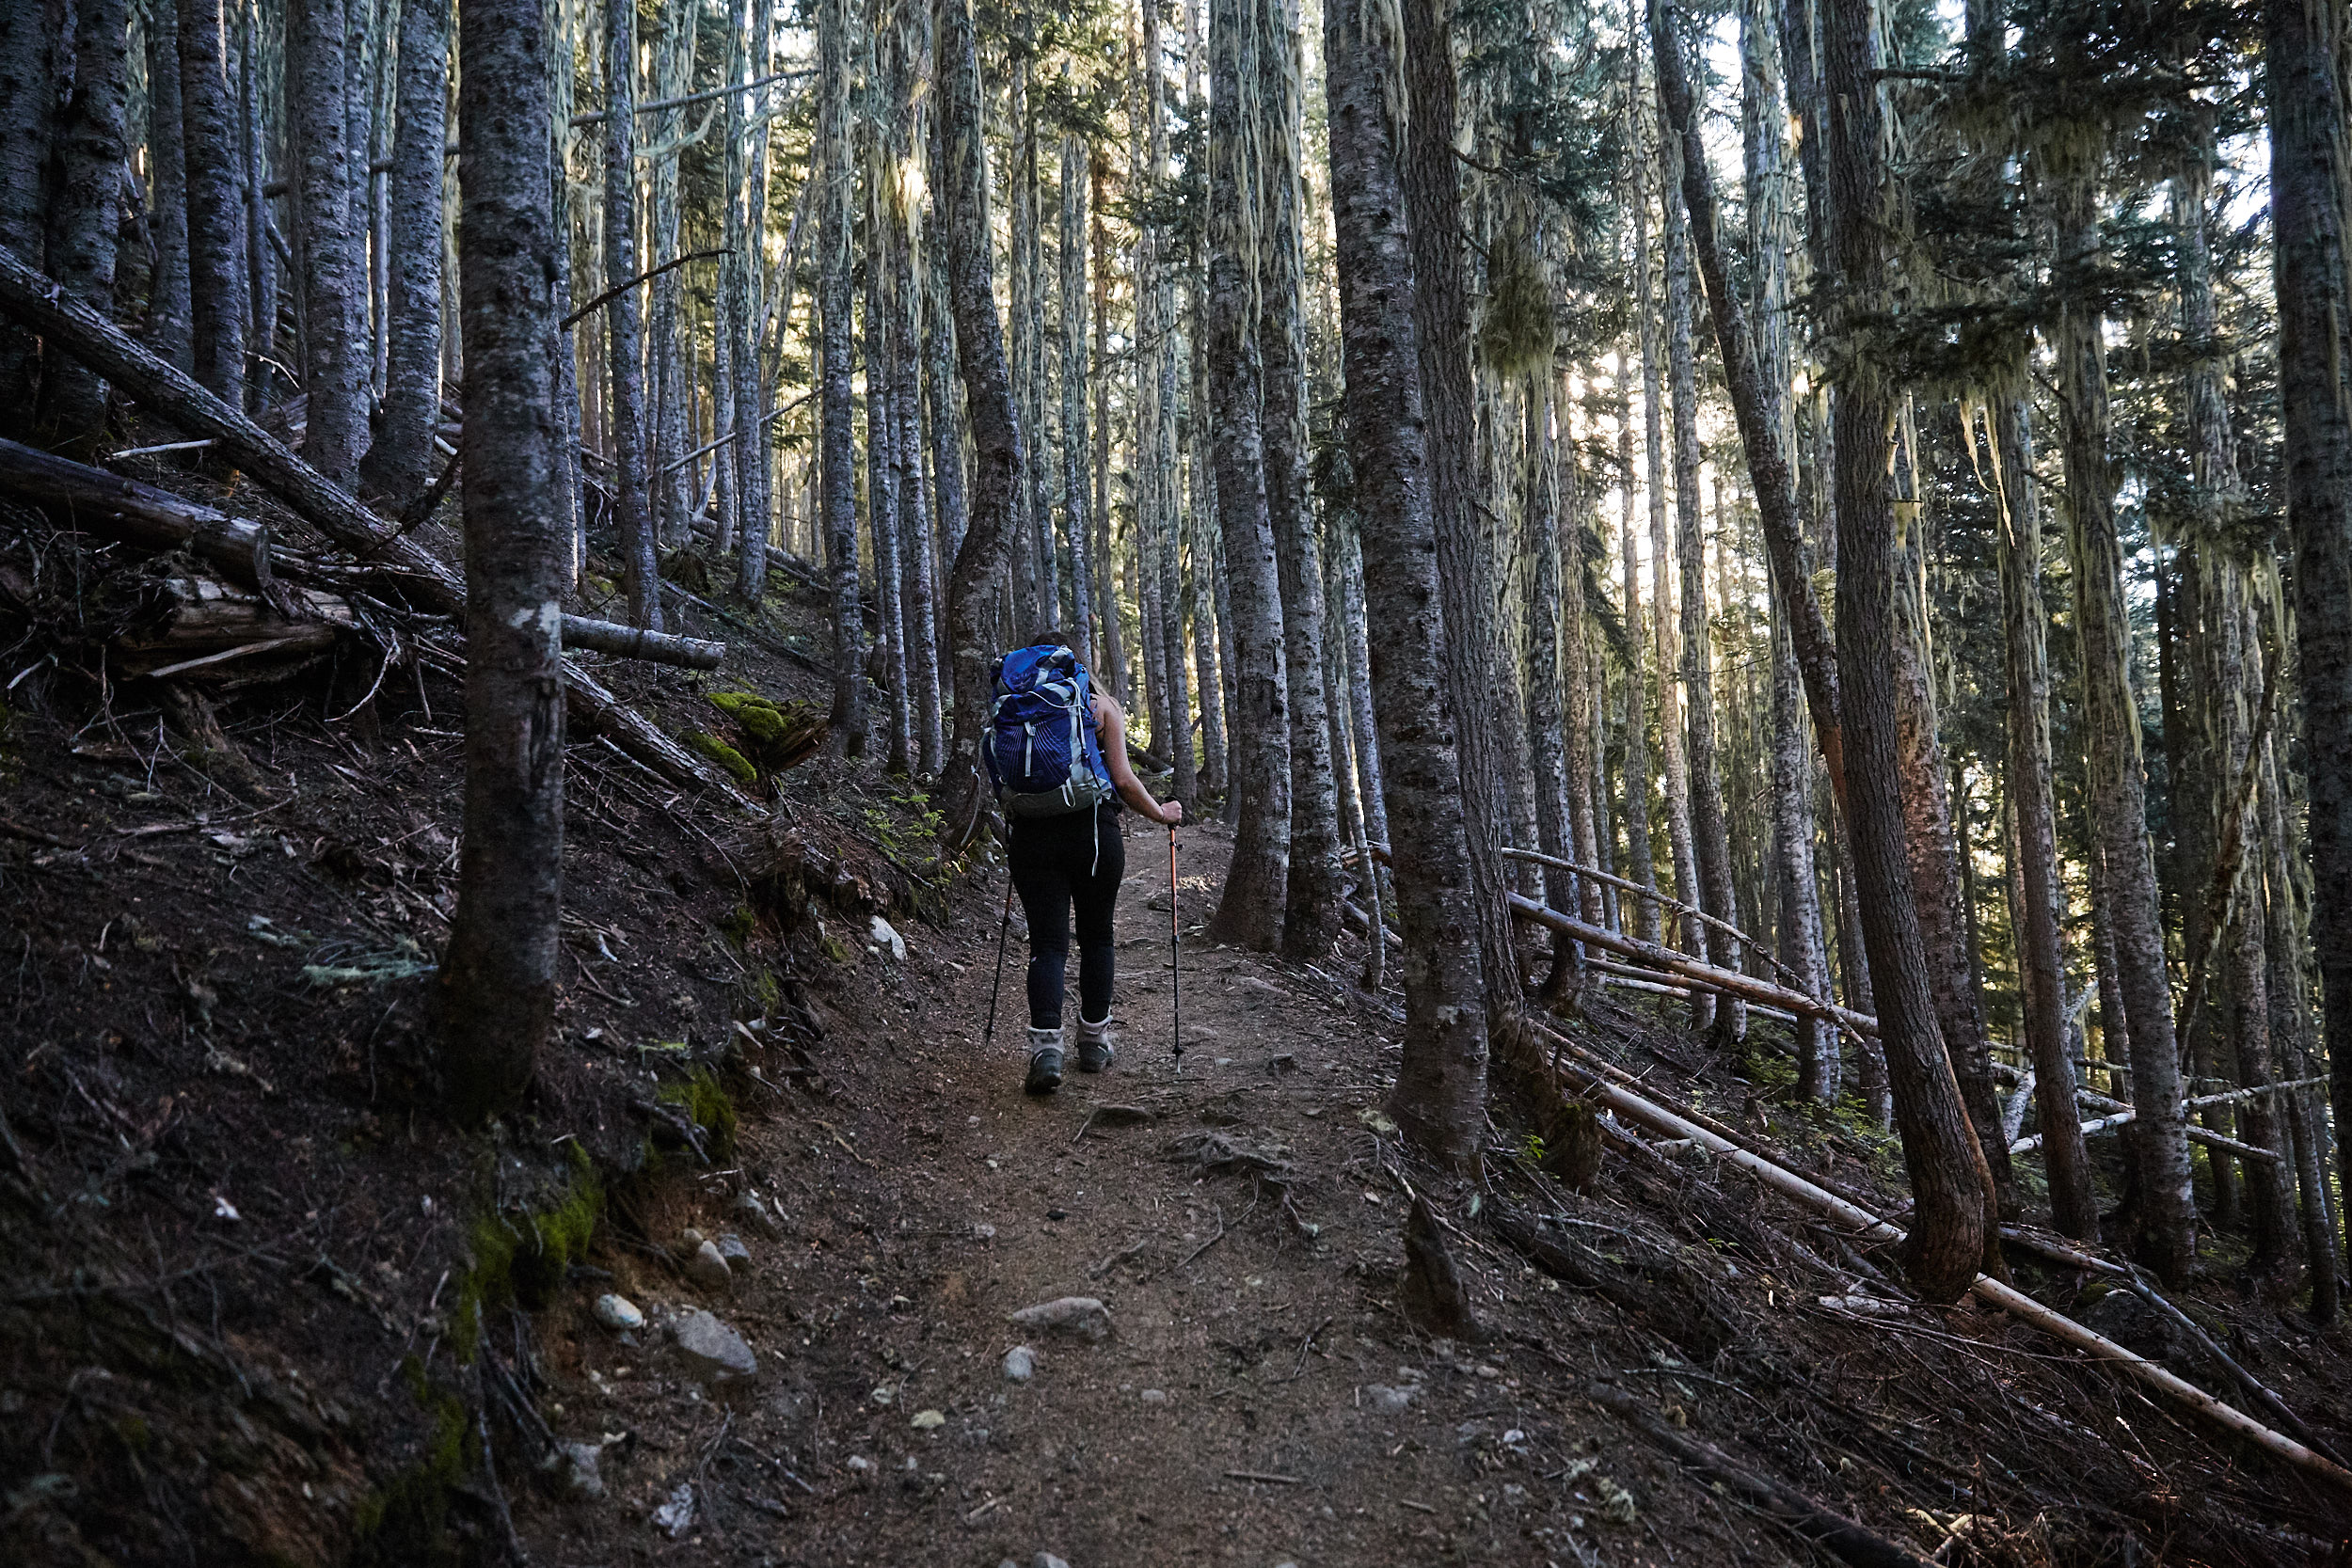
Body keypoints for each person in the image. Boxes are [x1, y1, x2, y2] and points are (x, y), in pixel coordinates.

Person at [994, 627, 1182, 1095]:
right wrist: (1162, 813)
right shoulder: (1099, 707)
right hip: (1093, 835)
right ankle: (1095, 1043)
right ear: (1073, 662)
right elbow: (1122, 779)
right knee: (1097, 937)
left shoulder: (1013, 707)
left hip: (1031, 838)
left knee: (1047, 943)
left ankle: (1045, 1050)